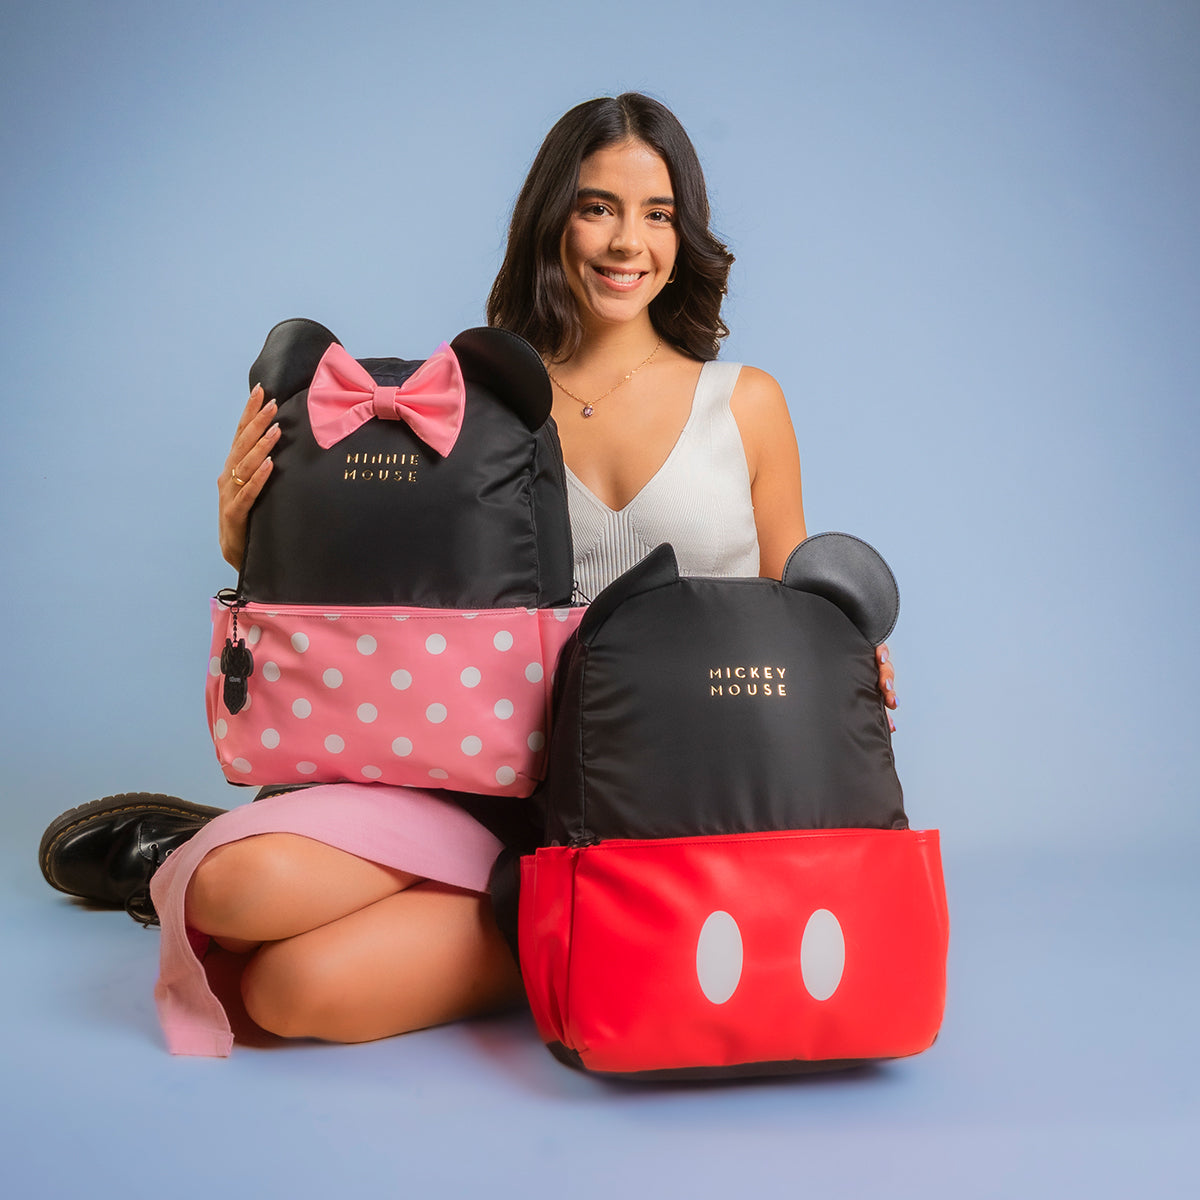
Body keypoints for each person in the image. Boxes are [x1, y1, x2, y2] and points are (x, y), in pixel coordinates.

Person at [39, 93, 897, 1053]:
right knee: (236, 894)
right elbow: (396, 594)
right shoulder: (477, 397)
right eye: (597, 207)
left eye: (657, 213)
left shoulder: (746, 404)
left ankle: (260, 850)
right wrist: (245, 539)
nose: (628, 242)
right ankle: (229, 851)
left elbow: (792, 607)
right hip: (482, 788)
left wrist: (847, 659)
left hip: (661, 807)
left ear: (682, 233)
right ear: (553, 219)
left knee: (289, 994)